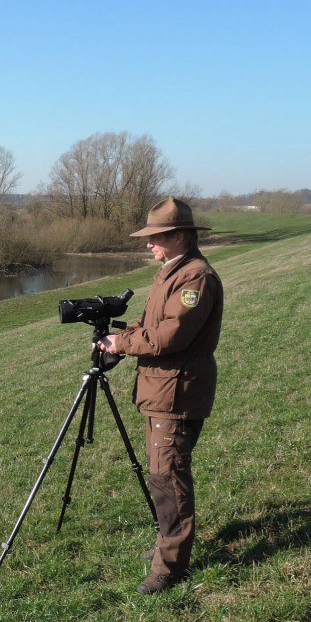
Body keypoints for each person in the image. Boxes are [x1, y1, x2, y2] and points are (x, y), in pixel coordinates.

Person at [98, 197, 223, 594]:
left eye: (155, 238)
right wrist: (123, 336)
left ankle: (169, 567)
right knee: (161, 475)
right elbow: (150, 321)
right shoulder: (170, 272)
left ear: (179, 236)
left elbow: (172, 334)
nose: (149, 245)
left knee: (168, 478)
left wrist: (124, 343)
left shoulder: (195, 278)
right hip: (161, 390)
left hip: (177, 392)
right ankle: (166, 547)